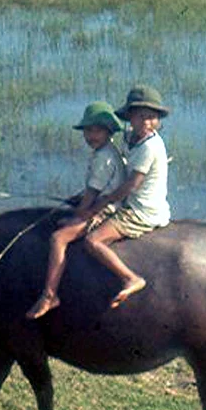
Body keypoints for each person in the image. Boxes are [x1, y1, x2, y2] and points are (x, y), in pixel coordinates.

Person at [26, 102, 126, 320]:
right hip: (104, 202)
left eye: (97, 130)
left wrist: (79, 212)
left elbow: (93, 193)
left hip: (104, 209)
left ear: (109, 131)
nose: (91, 135)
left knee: (58, 238)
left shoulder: (103, 157)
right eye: (88, 131)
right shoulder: (107, 151)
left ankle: (50, 294)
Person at [83, 85, 171, 309]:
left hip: (140, 211)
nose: (146, 123)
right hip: (135, 203)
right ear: (130, 118)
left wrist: (101, 202)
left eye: (152, 118)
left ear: (158, 120)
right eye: (140, 117)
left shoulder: (149, 147)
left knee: (93, 241)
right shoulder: (131, 138)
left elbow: (132, 185)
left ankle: (131, 278)